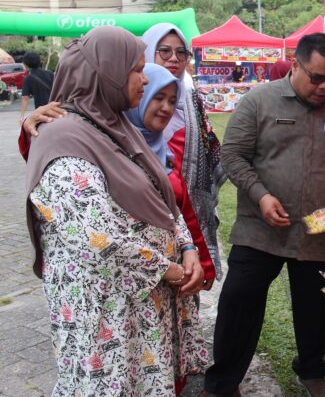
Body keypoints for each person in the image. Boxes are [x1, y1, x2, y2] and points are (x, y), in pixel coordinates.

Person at [24, 26, 207, 396]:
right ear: (105, 73)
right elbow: (97, 238)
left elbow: (162, 202)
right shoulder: (63, 137)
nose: (146, 77)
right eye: (136, 69)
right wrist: (168, 268)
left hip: (141, 307)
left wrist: (188, 249)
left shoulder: (118, 128)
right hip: (106, 316)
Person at [202, 33, 325, 397]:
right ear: (295, 64)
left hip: (319, 231)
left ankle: (311, 371)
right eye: (316, 78)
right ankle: (222, 383)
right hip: (260, 228)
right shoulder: (258, 101)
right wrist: (261, 196)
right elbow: (233, 155)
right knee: (239, 303)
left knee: (315, 309)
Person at [141, 23, 226, 282]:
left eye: (181, 53)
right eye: (164, 51)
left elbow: (210, 149)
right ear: (147, 53)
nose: (174, 59)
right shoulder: (128, 101)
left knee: (189, 279)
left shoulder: (191, 100)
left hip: (188, 206)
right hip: (146, 212)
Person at [126, 63, 217, 290]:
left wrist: (200, 259)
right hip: (134, 281)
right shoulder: (112, 148)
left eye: (172, 101)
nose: (166, 108)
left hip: (178, 274)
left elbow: (182, 211)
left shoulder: (164, 150)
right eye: (158, 98)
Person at [18, 52, 55, 122]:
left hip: (41, 111)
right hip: (55, 108)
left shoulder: (28, 78)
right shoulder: (50, 73)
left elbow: (25, 98)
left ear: (26, 64)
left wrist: (21, 116)